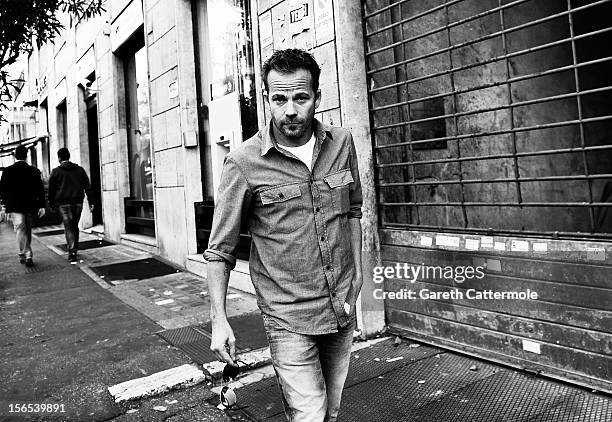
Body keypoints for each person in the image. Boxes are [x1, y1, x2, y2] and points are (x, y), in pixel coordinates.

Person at [205, 49, 363, 421]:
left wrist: (356, 277)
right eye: (279, 98)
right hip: (287, 317)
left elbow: (353, 212)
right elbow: (219, 251)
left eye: (300, 97)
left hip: (339, 307)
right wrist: (219, 319)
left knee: (331, 410)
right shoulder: (243, 163)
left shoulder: (342, 143)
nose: (290, 110)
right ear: (266, 99)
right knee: (309, 414)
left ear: (317, 97)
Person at [0, 145, 46, 267]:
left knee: (21, 228)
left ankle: (23, 253)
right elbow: (40, 190)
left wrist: (4, 205)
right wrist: (42, 205)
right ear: (26, 156)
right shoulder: (34, 171)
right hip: (31, 205)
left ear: (15, 156)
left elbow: (2, 190)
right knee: (27, 229)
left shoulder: (7, 171)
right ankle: (28, 254)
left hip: (15, 206)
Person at [48, 148, 93, 262]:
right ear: (69, 156)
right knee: (74, 225)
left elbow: (51, 191)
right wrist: (91, 201)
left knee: (68, 226)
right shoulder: (79, 170)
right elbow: (87, 186)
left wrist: (51, 204)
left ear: (59, 158)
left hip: (63, 204)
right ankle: (74, 248)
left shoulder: (56, 172)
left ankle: (72, 251)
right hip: (78, 203)